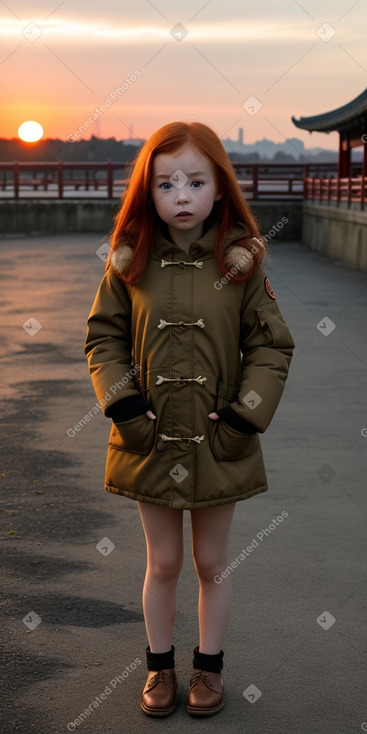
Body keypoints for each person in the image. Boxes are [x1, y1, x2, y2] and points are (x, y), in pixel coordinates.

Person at [84, 121, 295, 718]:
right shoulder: (130, 262)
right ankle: (158, 668)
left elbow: (272, 347)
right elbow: (104, 339)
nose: (181, 195)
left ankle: (209, 668)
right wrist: (125, 408)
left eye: (195, 181)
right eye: (166, 183)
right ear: (147, 193)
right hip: (146, 436)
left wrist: (242, 418)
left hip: (220, 438)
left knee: (211, 562)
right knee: (164, 562)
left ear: (220, 188)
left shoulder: (241, 265)